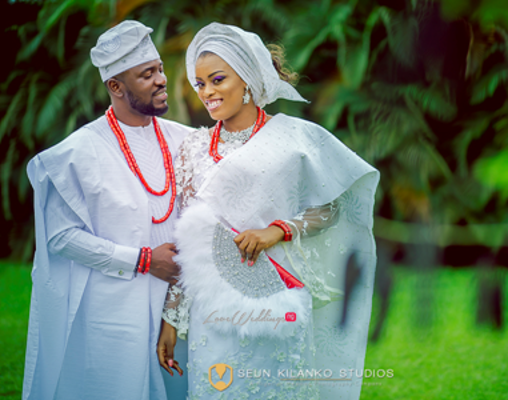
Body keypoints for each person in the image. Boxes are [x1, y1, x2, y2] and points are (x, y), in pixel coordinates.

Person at [157, 22, 379, 399]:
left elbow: (333, 208)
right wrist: (171, 320)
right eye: (200, 84)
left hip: (279, 297)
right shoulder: (192, 149)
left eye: (217, 79)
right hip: (213, 306)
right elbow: (188, 238)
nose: (207, 92)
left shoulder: (293, 138)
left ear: (247, 78)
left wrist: (278, 229)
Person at [23, 20, 193, 400]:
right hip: (114, 308)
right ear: (115, 86)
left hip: (176, 306)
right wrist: (144, 260)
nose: (162, 79)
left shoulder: (186, 140)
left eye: (161, 69)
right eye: (146, 74)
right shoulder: (77, 154)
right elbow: (61, 237)